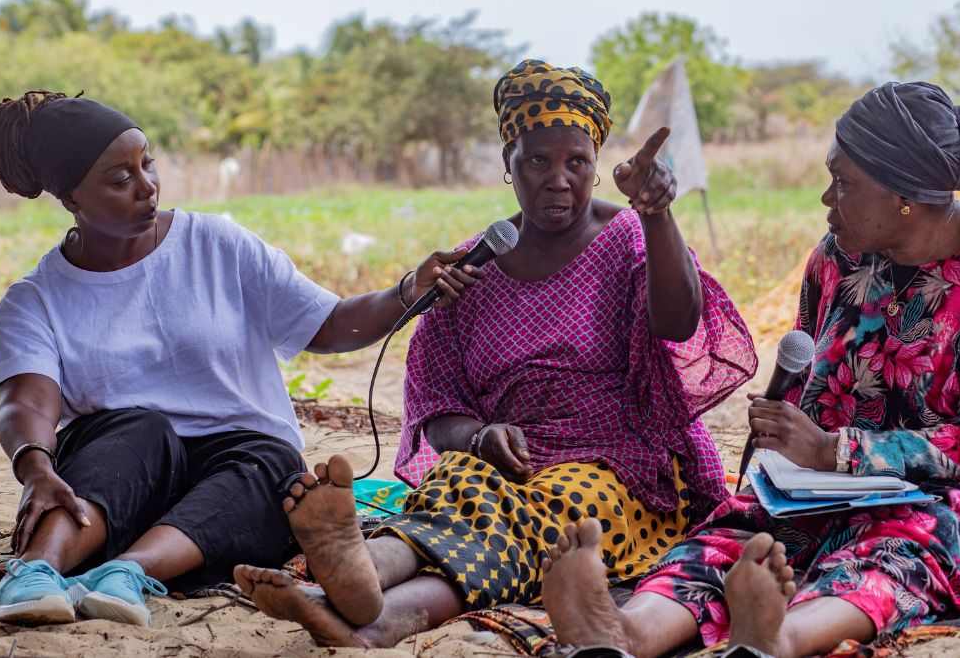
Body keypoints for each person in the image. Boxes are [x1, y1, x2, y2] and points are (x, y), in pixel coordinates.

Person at [537, 81, 960, 658]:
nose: (825, 199)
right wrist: (796, 442)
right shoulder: (837, 258)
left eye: (843, 184)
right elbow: (817, 401)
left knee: (918, 536)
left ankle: (780, 636)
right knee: (747, 531)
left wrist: (842, 452)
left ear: (904, 196)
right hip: (838, 488)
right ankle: (629, 630)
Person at [230, 59, 758, 648]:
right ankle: (365, 572)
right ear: (508, 164)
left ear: (596, 168)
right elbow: (438, 407)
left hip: (622, 469)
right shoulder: (471, 269)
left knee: (552, 516)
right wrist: (481, 437)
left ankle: (371, 603)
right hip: (508, 461)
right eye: (537, 160)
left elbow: (680, 320)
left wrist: (657, 214)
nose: (558, 179)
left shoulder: (629, 238)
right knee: (459, 481)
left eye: (576, 162)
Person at [0, 91, 482, 627]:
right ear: (72, 198)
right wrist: (35, 466)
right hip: (116, 485)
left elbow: (328, 323)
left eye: (148, 163)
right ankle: (33, 572)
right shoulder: (36, 298)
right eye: (120, 180)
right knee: (139, 431)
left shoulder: (218, 244)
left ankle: (125, 574)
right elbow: (26, 402)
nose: (147, 186)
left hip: (234, 488)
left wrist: (406, 291)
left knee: (274, 467)